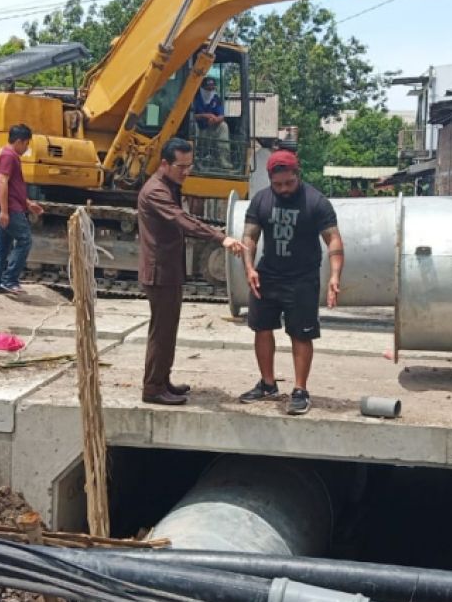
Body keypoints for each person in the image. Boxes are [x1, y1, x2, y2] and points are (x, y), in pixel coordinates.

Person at [138, 138, 245, 405]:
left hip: (169, 270)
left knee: (168, 329)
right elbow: (181, 220)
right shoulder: (156, 191)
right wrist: (220, 238)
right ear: (164, 164)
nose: (186, 171)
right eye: (180, 166)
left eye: (189, 166)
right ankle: (152, 388)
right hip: (159, 272)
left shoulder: (169, 186)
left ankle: (162, 380)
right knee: (161, 332)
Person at [238, 149, 344, 415]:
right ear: (270, 180)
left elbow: (333, 240)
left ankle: (300, 390)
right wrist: (249, 268)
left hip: (302, 278)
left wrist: (334, 275)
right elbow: (249, 238)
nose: (284, 189)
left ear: (298, 174)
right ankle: (267, 383)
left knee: (300, 334)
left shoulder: (316, 202)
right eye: (278, 185)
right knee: (261, 328)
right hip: (268, 275)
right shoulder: (261, 201)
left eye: (289, 183)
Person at [0, 124, 44, 295]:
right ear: (19, 141)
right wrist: (5, 211)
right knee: (25, 240)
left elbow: (12, 186)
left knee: (2, 246)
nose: (27, 147)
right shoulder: (9, 156)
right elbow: (3, 181)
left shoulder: (7, 155)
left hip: (10, 206)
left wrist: (27, 203)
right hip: (10, 209)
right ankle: (10, 280)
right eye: (26, 143)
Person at [191, 76, 232, 170]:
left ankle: (224, 160)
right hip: (197, 131)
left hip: (210, 131)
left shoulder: (215, 98)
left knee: (223, 126)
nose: (210, 91)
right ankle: (194, 159)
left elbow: (221, 115)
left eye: (212, 89)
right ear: (202, 88)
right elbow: (189, 116)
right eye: (208, 89)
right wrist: (204, 116)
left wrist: (216, 120)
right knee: (192, 125)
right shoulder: (195, 98)